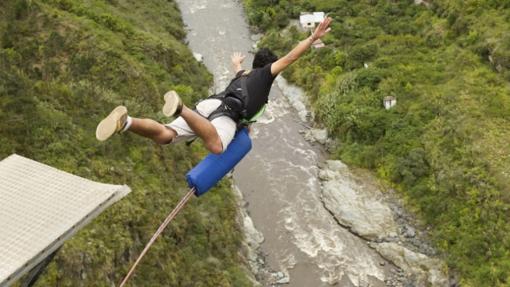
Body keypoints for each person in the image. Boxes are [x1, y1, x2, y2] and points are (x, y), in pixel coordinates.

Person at [95, 17, 332, 153]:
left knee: (165, 135)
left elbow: (239, 71)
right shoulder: (265, 75)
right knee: (217, 146)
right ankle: (181, 108)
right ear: (270, 66)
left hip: (209, 105)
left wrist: (236, 63)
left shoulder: (244, 74)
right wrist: (312, 38)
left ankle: (126, 122)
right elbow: (290, 57)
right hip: (225, 115)